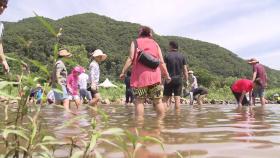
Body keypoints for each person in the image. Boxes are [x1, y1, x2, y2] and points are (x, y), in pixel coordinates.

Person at [119, 26, 171, 117]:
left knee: (139, 101)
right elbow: (161, 62)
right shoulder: (155, 44)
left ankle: (139, 125)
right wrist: (167, 75)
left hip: (140, 78)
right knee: (158, 101)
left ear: (140, 33)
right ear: (150, 34)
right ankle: (161, 124)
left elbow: (131, 58)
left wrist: (123, 72)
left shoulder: (135, 42)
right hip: (155, 78)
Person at [163, 41, 188, 109]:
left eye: (169, 46)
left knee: (165, 98)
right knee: (177, 98)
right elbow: (185, 69)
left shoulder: (166, 55)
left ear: (171, 46)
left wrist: (163, 78)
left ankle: (163, 116)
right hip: (178, 79)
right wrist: (186, 79)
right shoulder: (182, 56)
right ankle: (177, 117)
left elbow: (163, 67)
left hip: (169, 79)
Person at [0, 0, 9, 73]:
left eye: (4, 6)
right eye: (0, 4)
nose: (2, 8)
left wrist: (3, 60)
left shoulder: (1, 25)